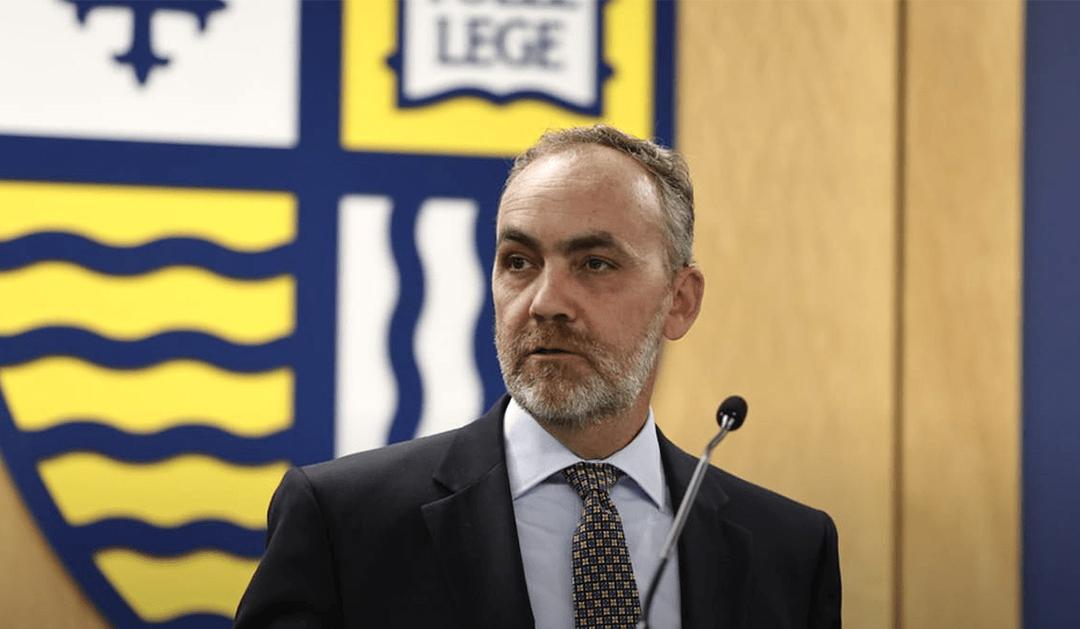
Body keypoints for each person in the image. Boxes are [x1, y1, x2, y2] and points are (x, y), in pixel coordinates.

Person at [235, 125, 841, 628]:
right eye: (519, 262)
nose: (546, 302)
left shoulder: (788, 548)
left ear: (679, 301)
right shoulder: (344, 523)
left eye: (595, 263)